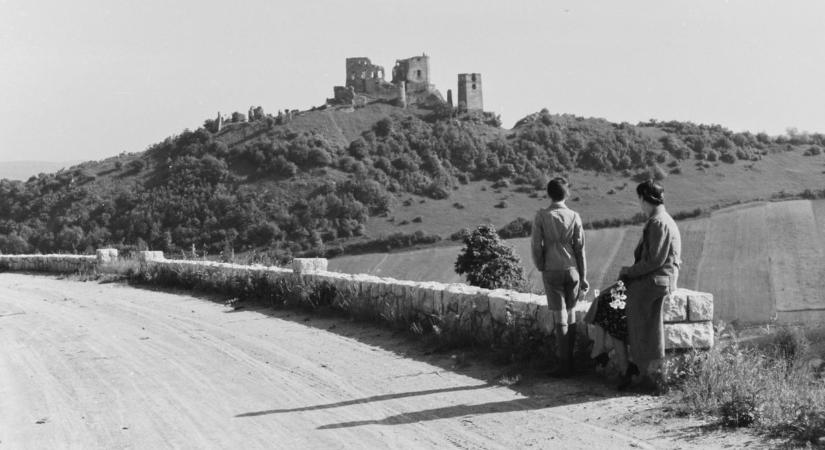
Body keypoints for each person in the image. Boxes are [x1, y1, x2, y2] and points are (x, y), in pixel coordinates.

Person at [618, 179, 682, 390]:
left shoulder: (657, 223)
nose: (640, 204)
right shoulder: (664, 219)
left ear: (646, 199)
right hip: (662, 279)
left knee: (636, 321)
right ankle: (639, 372)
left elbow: (654, 260)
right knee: (618, 306)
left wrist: (629, 272)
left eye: (640, 199)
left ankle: (645, 375)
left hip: (655, 282)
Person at [531, 177, 588, 377]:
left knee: (559, 315)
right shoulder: (574, 216)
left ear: (549, 194)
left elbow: (536, 245)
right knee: (571, 313)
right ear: (567, 194)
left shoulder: (542, 216)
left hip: (551, 269)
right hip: (572, 269)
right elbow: (580, 249)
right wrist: (583, 275)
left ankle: (564, 365)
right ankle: (572, 363)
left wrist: (541, 265)